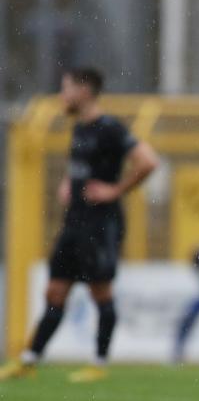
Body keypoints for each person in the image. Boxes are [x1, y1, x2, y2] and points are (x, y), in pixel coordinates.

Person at [0, 67, 159, 383]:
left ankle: (99, 363)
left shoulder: (110, 128)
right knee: (55, 290)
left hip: (100, 224)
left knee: (100, 291)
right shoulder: (79, 129)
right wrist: (67, 184)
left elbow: (148, 161)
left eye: (66, 88)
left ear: (84, 91)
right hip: (74, 222)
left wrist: (116, 190)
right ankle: (29, 360)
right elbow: (80, 169)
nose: (62, 95)